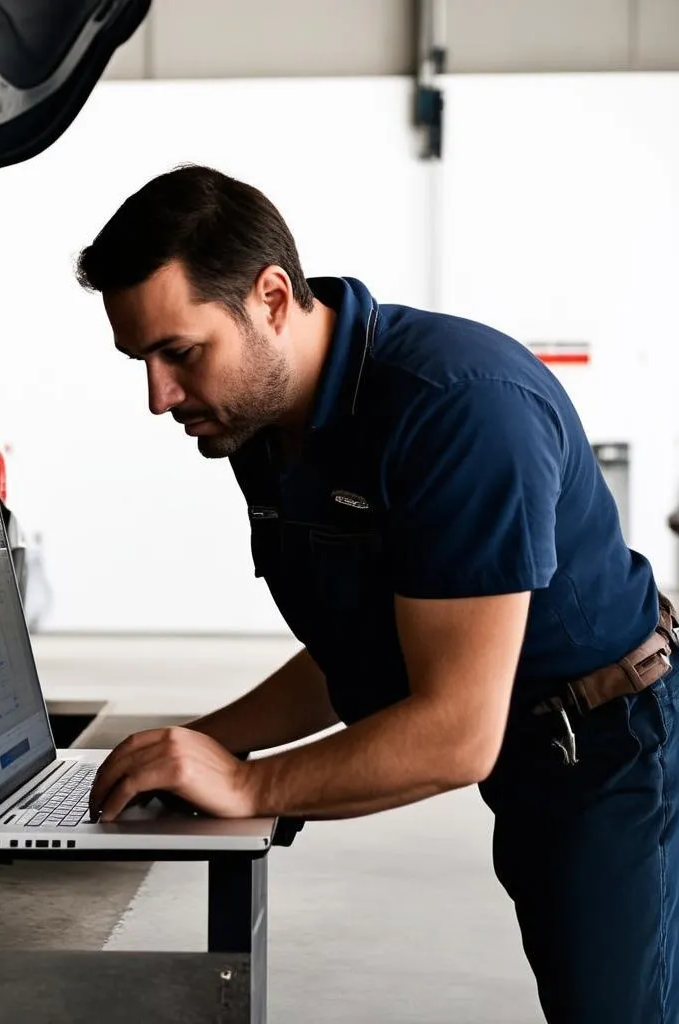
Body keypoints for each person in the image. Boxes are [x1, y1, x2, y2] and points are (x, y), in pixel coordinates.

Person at [75, 164, 679, 1024]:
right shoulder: (260, 422)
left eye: (180, 352)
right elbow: (356, 650)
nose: (159, 396)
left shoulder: (458, 410)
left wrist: (246, 786)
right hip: (537, 750)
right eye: (142, 360)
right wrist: (199, 745)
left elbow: (455, 734)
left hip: (616, 745)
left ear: (273, 299)